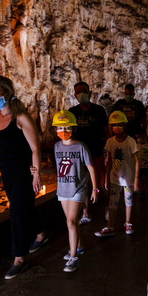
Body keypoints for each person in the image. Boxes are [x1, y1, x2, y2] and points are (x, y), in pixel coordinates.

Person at [0, 75, 48, 280]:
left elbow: (35, 147)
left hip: (23, 171)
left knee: (15, 212)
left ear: (7, 92)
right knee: (22, 207)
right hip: (7, 171)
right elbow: (2, 144)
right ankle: (40, 233)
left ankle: (19, 258)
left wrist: (36, 174)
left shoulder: (20, 117)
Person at [52, 110, 98, 272]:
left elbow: (90, 168)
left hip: (77, 188)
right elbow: (58, 169)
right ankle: (78, 247)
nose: (63, 132)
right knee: (72, 222)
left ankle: (73, 257)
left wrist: (95, 189)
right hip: (63, 188)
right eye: (59, 128)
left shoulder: (80, 146)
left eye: (66, 128)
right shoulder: (57, 147)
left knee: (70, 222)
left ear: (73, 128)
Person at [68, 82, 109, 225]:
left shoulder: (99, 110)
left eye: (84, 91)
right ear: (75, 95)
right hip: (78, 154)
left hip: (96, 151)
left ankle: (107, 208)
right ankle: (85, 213)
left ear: (90, 93)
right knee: (82, 184)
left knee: (101, 183)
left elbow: (106, 129)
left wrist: (108, 148)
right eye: (78, 92)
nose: (81, 94)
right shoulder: (72, 112)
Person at [95, 111, 139, 237]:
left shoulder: (130, 141)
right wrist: (107, 178)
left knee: (128, 200)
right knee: (112, 201)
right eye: (114, 125)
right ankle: (110, 226)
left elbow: (137, 161)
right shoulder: (110, 142)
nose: (116, 128)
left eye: (119, 125)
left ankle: (128, 223)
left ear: (124, 125)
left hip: (128, 177)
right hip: (115, 177)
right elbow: (108, 161)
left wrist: (136, 180)